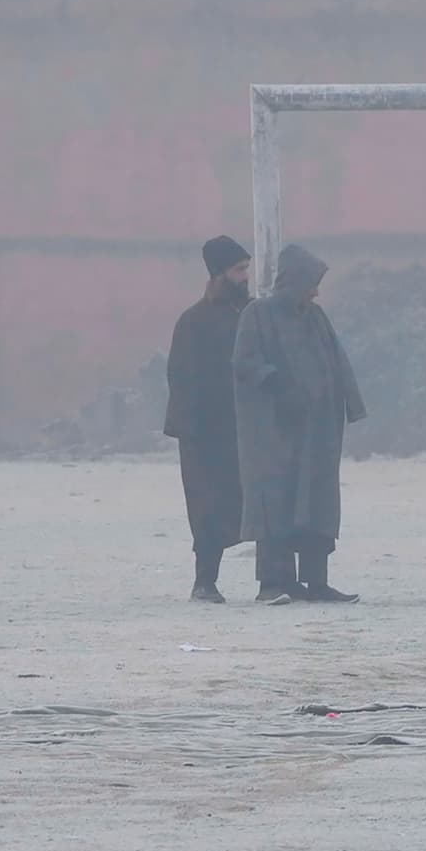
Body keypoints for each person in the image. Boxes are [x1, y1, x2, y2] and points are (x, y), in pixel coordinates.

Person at [232, 240, 363, 603]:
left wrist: (349, 404)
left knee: (316, 502)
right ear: (294, 281)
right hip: (274, 431)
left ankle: (316, 582)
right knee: (276, 500)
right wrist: (278, 384)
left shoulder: (316, 317)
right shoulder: (257, 315)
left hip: (317, 430)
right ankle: (274, 583)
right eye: (310, 283)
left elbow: (337, 361)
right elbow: (244, 362)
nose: (316, 291)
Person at [162, 235, 251, 601]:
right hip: (204, 433)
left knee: (249, 502)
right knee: (207, 508)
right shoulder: (193, 321)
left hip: (243, 429)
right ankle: (205, 581)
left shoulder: (250, 315)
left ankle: (275, 582)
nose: (245, 277)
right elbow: (182, 377)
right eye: (238, 270)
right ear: (219, 274)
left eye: (246, 269)